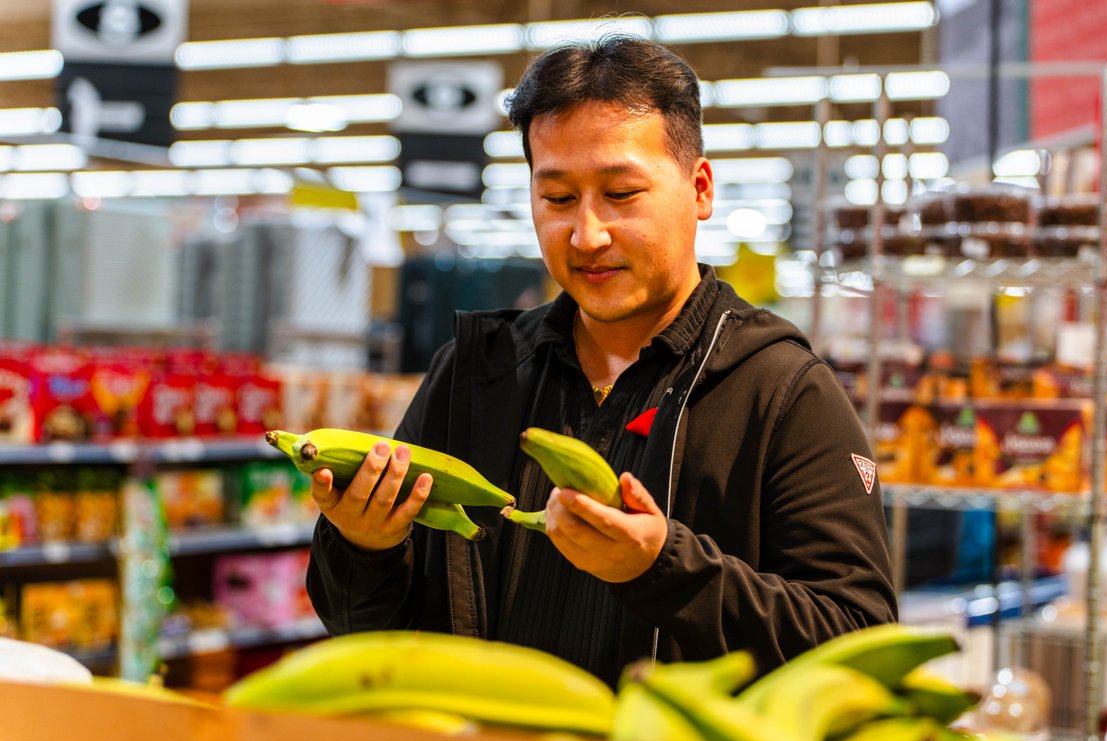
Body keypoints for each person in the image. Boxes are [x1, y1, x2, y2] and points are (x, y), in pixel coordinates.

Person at [306, 35, 896, 689]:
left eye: (620, 193)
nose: (587, 235)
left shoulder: (780, 391)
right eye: (557, 199)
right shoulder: (476, 375)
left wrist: (665, 568)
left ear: (699, 189)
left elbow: (858, 641)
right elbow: (363, 626)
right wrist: (364, 545)